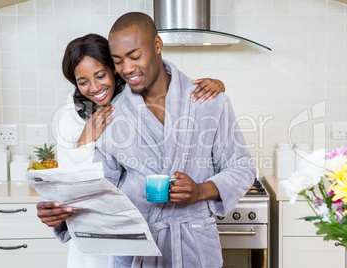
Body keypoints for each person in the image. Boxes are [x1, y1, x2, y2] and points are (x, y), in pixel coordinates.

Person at [38, 33, 226, 268]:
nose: (95, 87)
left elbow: (172, 87)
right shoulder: (70, 118)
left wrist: (217, 86)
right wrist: (84, 141)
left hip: (139, 235)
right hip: (94, 240)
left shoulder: (137, 98)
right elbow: (70, 187)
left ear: (114, 70)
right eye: (83, 81)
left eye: (100, 75)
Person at [93, 12, 254, 267]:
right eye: (118, 61)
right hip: (137, 248)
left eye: (135, 56)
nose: (127, 69)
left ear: (157, 45)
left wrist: (202, 190)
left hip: (195, 246)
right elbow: (100, 189)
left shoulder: (208, 101)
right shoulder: (113, 114)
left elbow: (242, 168)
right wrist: (64, 213)